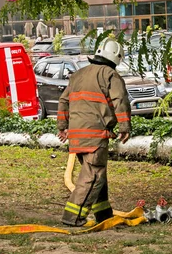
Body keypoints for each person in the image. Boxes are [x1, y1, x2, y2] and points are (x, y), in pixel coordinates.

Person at [56, 38, 131, 227]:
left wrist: (62, 126)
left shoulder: (78, 74)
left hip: (76, 134)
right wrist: (124, 126)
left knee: (97, 174)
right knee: (93, 175)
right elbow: (120, 100)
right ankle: (72, 216)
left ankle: (103, 213)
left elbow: (63, 101)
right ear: (116, 58)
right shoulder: (110, 75)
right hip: (95, 134)